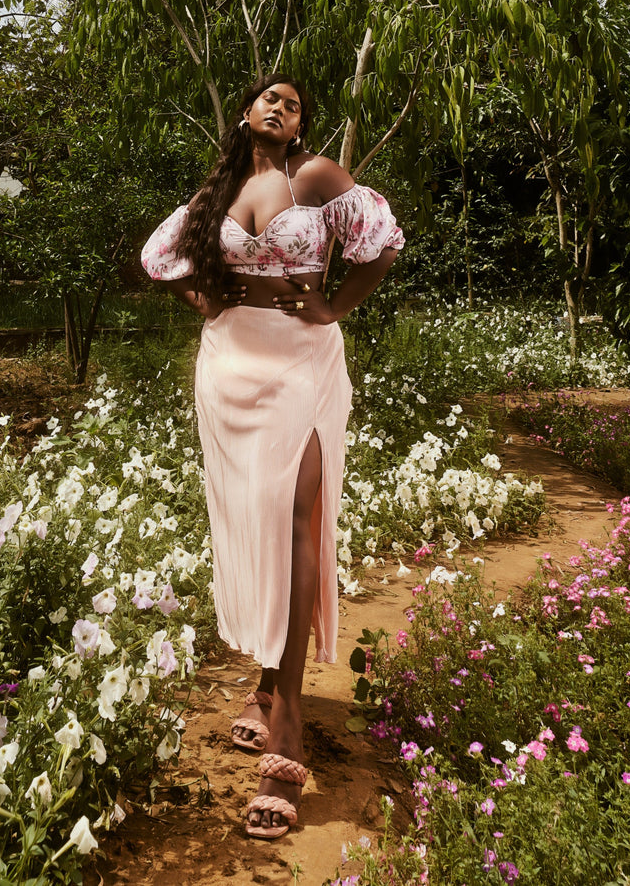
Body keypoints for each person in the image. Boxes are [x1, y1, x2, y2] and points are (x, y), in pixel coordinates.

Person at [141, 74, 404, 840]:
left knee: (294, 523)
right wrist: (206, 301)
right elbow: (164, 256)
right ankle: (264, 682)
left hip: (301, 363)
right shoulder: (220, 186)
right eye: (268, 98)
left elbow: (380, 245)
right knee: (254, 525)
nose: (279, 107)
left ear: (299, 127)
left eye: (293, 104)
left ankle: (286, 721)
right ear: (247, 114)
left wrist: (334, 304)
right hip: (229, 366)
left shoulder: (314, 177)